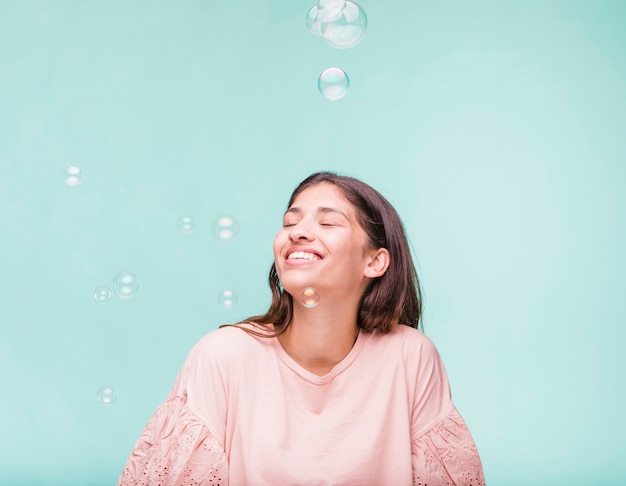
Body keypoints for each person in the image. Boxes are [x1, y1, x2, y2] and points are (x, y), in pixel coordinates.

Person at [118, 171, 485, 485]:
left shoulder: (411, 355)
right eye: (290, 223)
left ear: (375, 261)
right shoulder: (223, 356)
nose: (298, 233)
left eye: (327, 223)